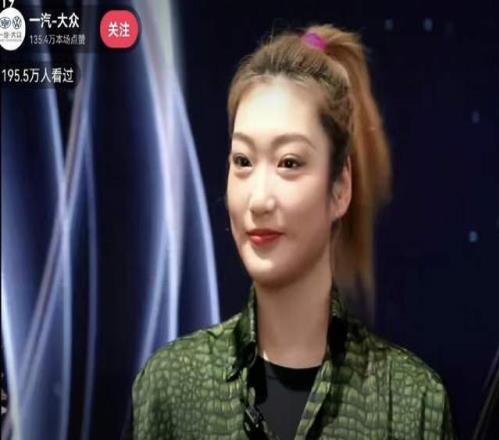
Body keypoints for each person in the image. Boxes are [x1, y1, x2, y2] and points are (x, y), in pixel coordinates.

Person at [131, 24, 455, 439]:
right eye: (243, 161)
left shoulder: (413, 403)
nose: (259, 199)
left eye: (288, 163)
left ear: (340, 187)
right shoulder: (170, 387)